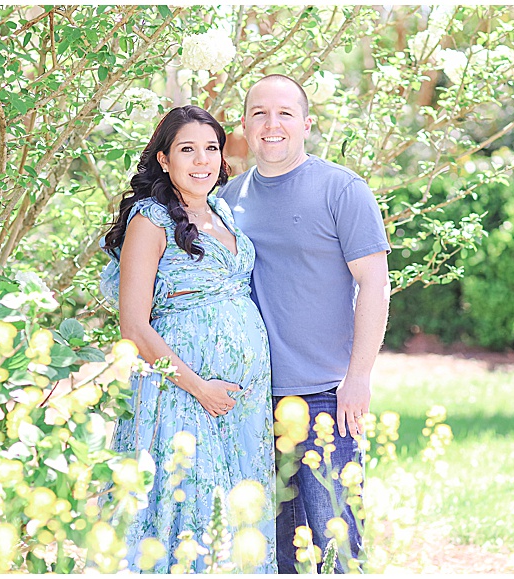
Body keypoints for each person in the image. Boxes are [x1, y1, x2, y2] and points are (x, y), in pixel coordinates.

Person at [218, 74, 391, 573]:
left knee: (339, 545)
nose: (272, 125)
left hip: (325, 399)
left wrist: (357, 378)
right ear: (246, 125)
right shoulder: (227, 200)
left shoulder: (343, 189)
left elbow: (375, 286)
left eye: (285, 114)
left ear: (307, 124)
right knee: (274, 553)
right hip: (249, 400)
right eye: (260, 114)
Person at [99, 105, 276, 573]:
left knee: (236, 521)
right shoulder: (149, 222)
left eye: (211, 149)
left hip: (242, 406)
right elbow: (134, 326)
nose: (202, 160)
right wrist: (200, 387)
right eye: (187, 149)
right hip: (181, 395)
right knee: (191, 520)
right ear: (163, 159)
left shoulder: (221, 211)